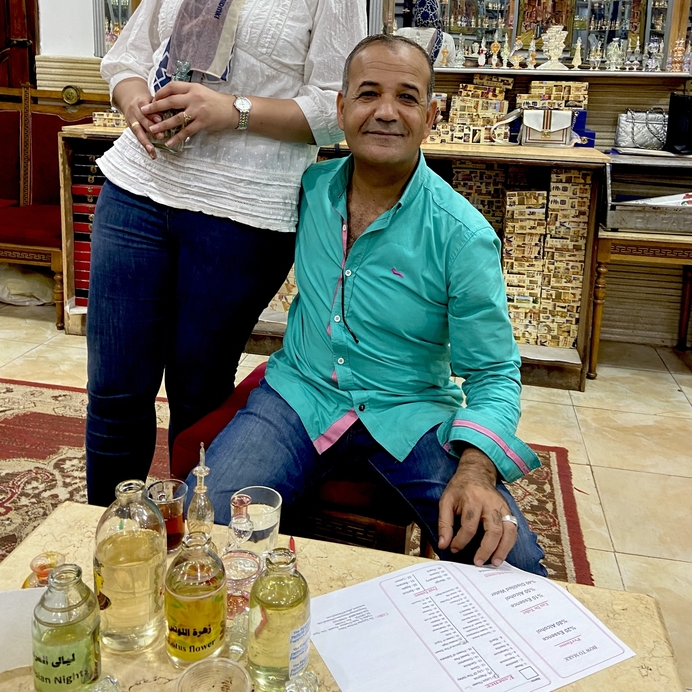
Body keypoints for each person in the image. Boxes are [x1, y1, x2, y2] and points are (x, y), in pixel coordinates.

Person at [86, 0, 367, 506]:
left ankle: (192, 559)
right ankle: (109, 551)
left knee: (199, 398)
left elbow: (335, 112)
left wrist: (229, 109)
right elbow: (125, 57)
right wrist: (134, 104)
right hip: (136, 194)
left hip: (242, 217)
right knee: (115, 392)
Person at [193, 34, 546, 573]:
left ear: (431, 115)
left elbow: (494, 372)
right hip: (299, 396)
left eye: (406, 97)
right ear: (341, 108)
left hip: (411, 412)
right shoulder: (309, 190)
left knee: (511, 565)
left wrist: (476, 470)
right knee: (209, 529)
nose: (386, 112)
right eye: (368, 94)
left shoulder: (461, 234)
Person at [395, 0, 459, 67]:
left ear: (416, 12)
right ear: (436, 13)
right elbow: (451, 68)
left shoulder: (402, 33)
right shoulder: (446, 38)